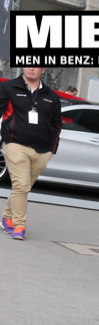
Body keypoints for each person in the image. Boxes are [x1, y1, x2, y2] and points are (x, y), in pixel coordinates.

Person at [0, 66, 62, 241]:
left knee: (23, 187)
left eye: (35, 65)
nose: (31, 68)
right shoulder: (8, 88)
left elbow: (57, 124)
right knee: (21, 185)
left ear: (43, 70)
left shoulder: (52, 96)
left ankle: (7, 217)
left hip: (42, 150)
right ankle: (19, 225)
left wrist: (51, 150)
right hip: (15, 144)